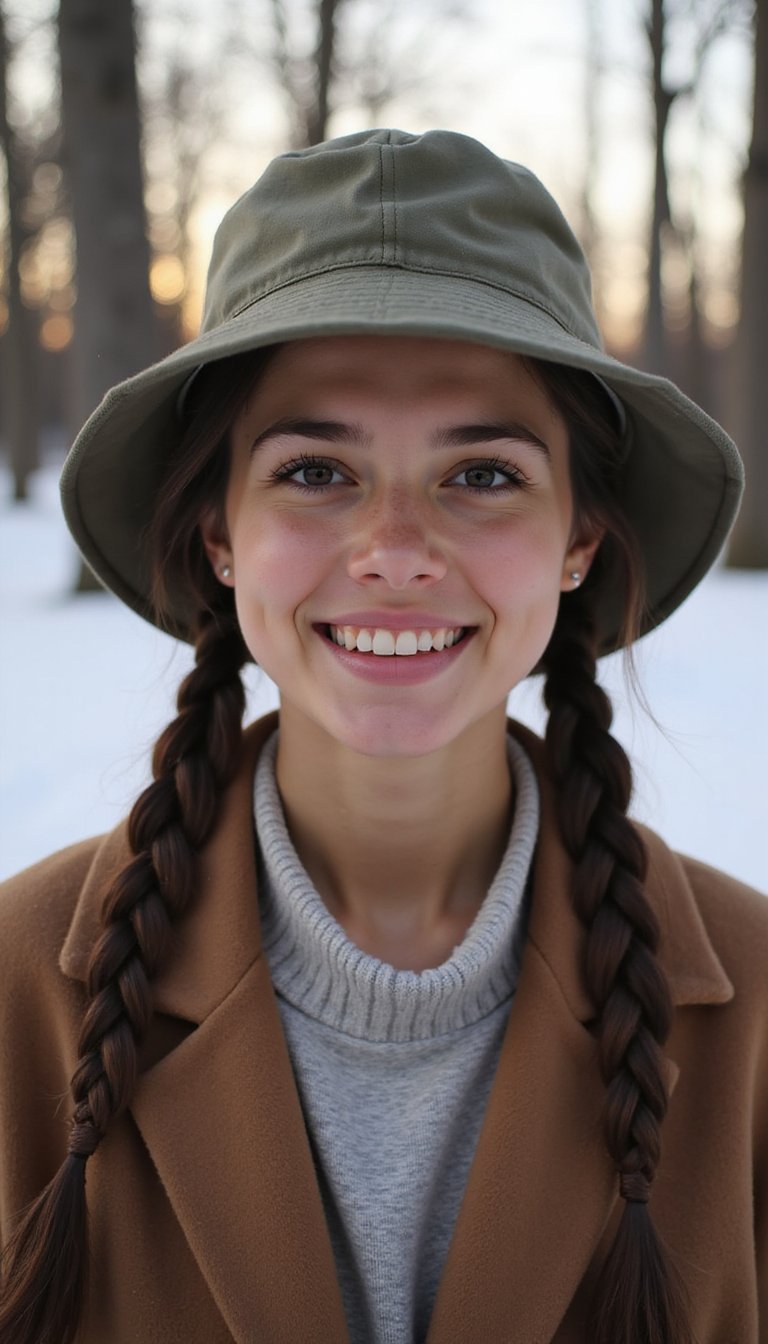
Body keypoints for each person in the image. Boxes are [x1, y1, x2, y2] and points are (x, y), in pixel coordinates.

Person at [0, 128, 765, 1344]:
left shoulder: (756, 1003)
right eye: (313, 471)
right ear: (219, 536)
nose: (398, 549)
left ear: (580, 541)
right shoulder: (17, 986)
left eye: (486, 476)